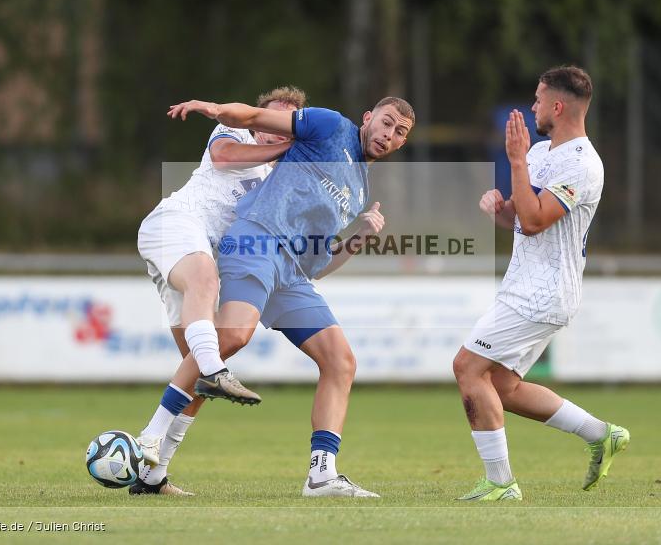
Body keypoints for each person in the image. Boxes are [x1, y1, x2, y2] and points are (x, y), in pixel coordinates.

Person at [162, 95, 415, 497]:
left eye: (400, 132)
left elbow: (319, 265)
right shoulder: (331, 125)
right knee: (229, 339)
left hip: (293, 273)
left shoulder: (359, 188)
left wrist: (360, 237)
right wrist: (216, 109)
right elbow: (254, 116)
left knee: (341, 361)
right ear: (368, 117)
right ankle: (151, 445)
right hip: (258, 242)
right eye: (386, 122)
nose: (389, 134)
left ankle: (322, 475)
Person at [453, 66, 629, 501]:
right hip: (524, 286)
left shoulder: (582, 164)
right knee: (503, 387)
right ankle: (602, 434)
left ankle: (501, 483)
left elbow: (534, 223)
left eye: (537, 99)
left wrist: (514, 161)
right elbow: (521, 217)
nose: (532, 107)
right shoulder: (538, 152)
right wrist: (499, 210)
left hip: (543, 291)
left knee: (467, 367)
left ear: (558, 106)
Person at [132, 87, 307, 496]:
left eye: (285, 125)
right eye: (271, 118)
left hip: (192, 252)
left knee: (192, 372)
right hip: (174, 224)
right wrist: (285, 150)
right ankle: (217, 372)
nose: (275, 129)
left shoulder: (277, 180)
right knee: (206, 286)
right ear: (257, 117)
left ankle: (153, 475)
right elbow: (224, 158)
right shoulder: (237, 133)